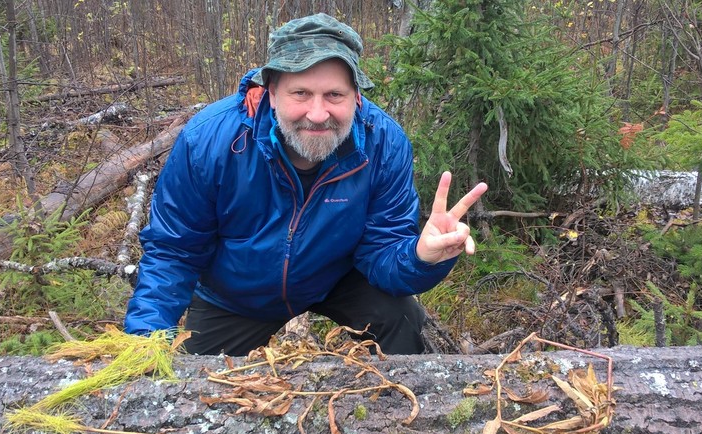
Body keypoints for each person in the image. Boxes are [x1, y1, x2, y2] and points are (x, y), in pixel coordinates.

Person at [124, 13, 487, 355]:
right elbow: (174, 251)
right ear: (270, 90)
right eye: (300, 94)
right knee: (194, 385)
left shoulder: (383, 143)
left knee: (400, 317)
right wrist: (145, 344)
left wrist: (421, 258)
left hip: (337, 277)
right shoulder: (209, 141)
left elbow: (384, 251)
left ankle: (400, 412)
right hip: (235, 294)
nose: (317, 114)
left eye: (334, 95)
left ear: (357, 96)